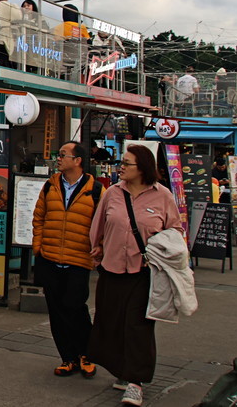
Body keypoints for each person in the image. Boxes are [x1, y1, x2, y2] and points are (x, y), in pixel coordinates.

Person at [88, 145, 184, 406]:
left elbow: (175, 231)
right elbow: (99, 225)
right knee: (111, 322)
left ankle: (135, 382)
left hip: (144, 272)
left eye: (126, 163)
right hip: (111, 268)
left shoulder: (162, 195)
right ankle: (122, 370)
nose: (121, 166)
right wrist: (96, 247)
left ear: (142, 168)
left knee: (138, 326)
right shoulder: (113, 193)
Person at [32, 141, 105, 380]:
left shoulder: (96, 191)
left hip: (78, 260)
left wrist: (98, 250)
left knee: (76, 308)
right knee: (56, 310)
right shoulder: (50, 186)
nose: (58, 158)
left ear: (78, 160)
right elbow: (38, 217)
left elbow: (103, 224)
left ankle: (86, 354)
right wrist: (38, 248)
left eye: (63, 155)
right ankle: (68, 358)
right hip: (50, 258)